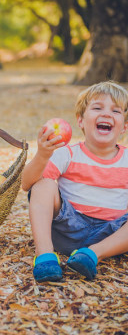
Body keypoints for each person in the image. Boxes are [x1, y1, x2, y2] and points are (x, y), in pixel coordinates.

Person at [21, 81, 128, 282]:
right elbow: (26, 183)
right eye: (97, 108)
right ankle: (44, 255)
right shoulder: (66, 154)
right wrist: (43, 155)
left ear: (124, 126)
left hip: (111, 235)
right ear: (80, 121)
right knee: (43, 183)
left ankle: (92, 254)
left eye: (116, 111)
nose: (106, 114)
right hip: (68, 228)